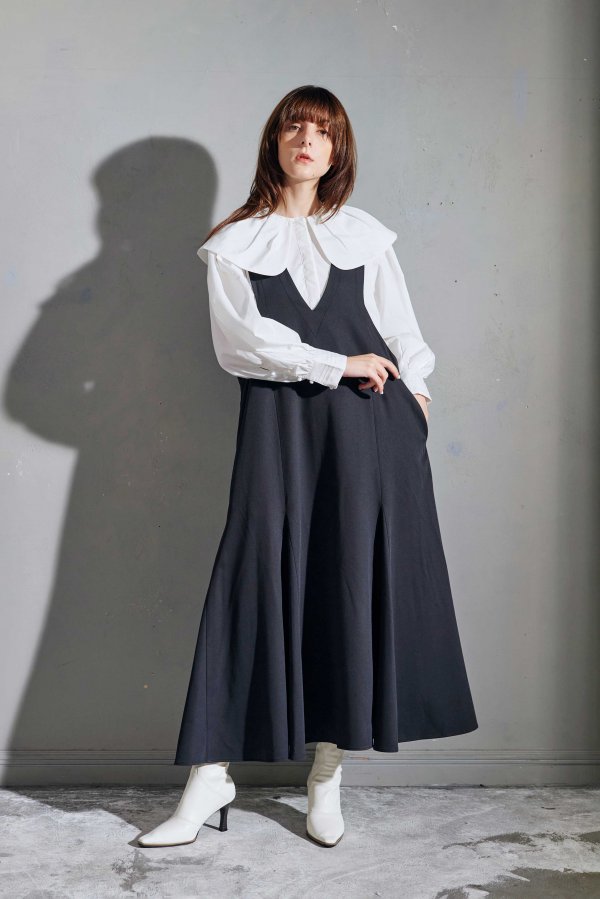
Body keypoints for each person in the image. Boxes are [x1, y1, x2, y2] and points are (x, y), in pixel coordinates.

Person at [138, 84, 478, 850]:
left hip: (369, 433)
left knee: (345, 583)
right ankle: (209, 776)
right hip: (280, 430)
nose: (306, 140)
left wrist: (418, 398)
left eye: (322, 131)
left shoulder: (364, 236)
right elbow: (240, 344)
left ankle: (326, 772)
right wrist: (336, 362)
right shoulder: (237, 243)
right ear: (275, 141)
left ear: (336, 150)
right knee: (250, 576)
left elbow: (402, 331)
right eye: (295, 126)